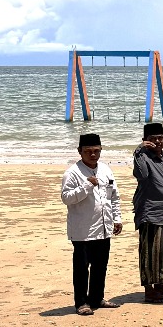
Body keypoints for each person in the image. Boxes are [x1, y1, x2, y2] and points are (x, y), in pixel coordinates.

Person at [61, 133, 123, 315]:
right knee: (81, 268)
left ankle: (97, 298)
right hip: (82, 230)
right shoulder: (72, 173)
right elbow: (66, 198)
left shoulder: (105, 169)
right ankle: (81, 303)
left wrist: (116, 218)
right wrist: (86, 187)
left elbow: (114, 196)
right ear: (80, 151)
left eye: (96, 151)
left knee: (100, 265)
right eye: (88, 151)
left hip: (103, 227)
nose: (93, 155)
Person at [132, 122, 163, 304]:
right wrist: (139, 150)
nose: (158, 142)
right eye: (153, 139)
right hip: (150, 211)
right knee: (150, 251)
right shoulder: (142, 156)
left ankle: (160, 283)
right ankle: (149, 290)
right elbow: (141, 175)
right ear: (146, 141)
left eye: (160, 138)